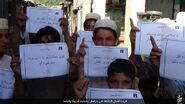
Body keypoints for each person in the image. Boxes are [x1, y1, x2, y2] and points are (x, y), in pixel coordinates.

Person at [11, 26, 67, 99]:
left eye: (50, 43)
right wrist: (18, 75)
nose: (45, 47)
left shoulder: (64, 66)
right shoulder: (29, 65)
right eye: (42, 43)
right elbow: (20, 95)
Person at [0, 18, 15, 99]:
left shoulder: (11, 62)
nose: (4, 40)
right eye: (0, 36)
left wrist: (18, 76)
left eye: (6, 36)